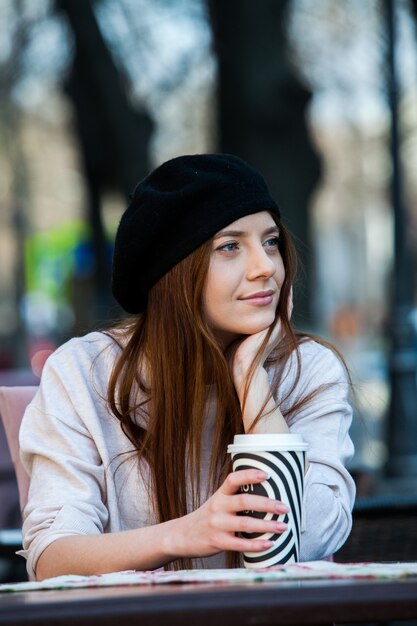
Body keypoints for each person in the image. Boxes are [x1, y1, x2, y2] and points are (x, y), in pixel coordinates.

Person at [19, 154, 355, 581]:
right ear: (175, 272)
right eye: (230, 246)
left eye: (270, 241)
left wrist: (252, 382)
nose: (265, 267)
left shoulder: (307, 370)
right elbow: (54, 558)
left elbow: (313, 534)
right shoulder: (85, 373)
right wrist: (187, 533)